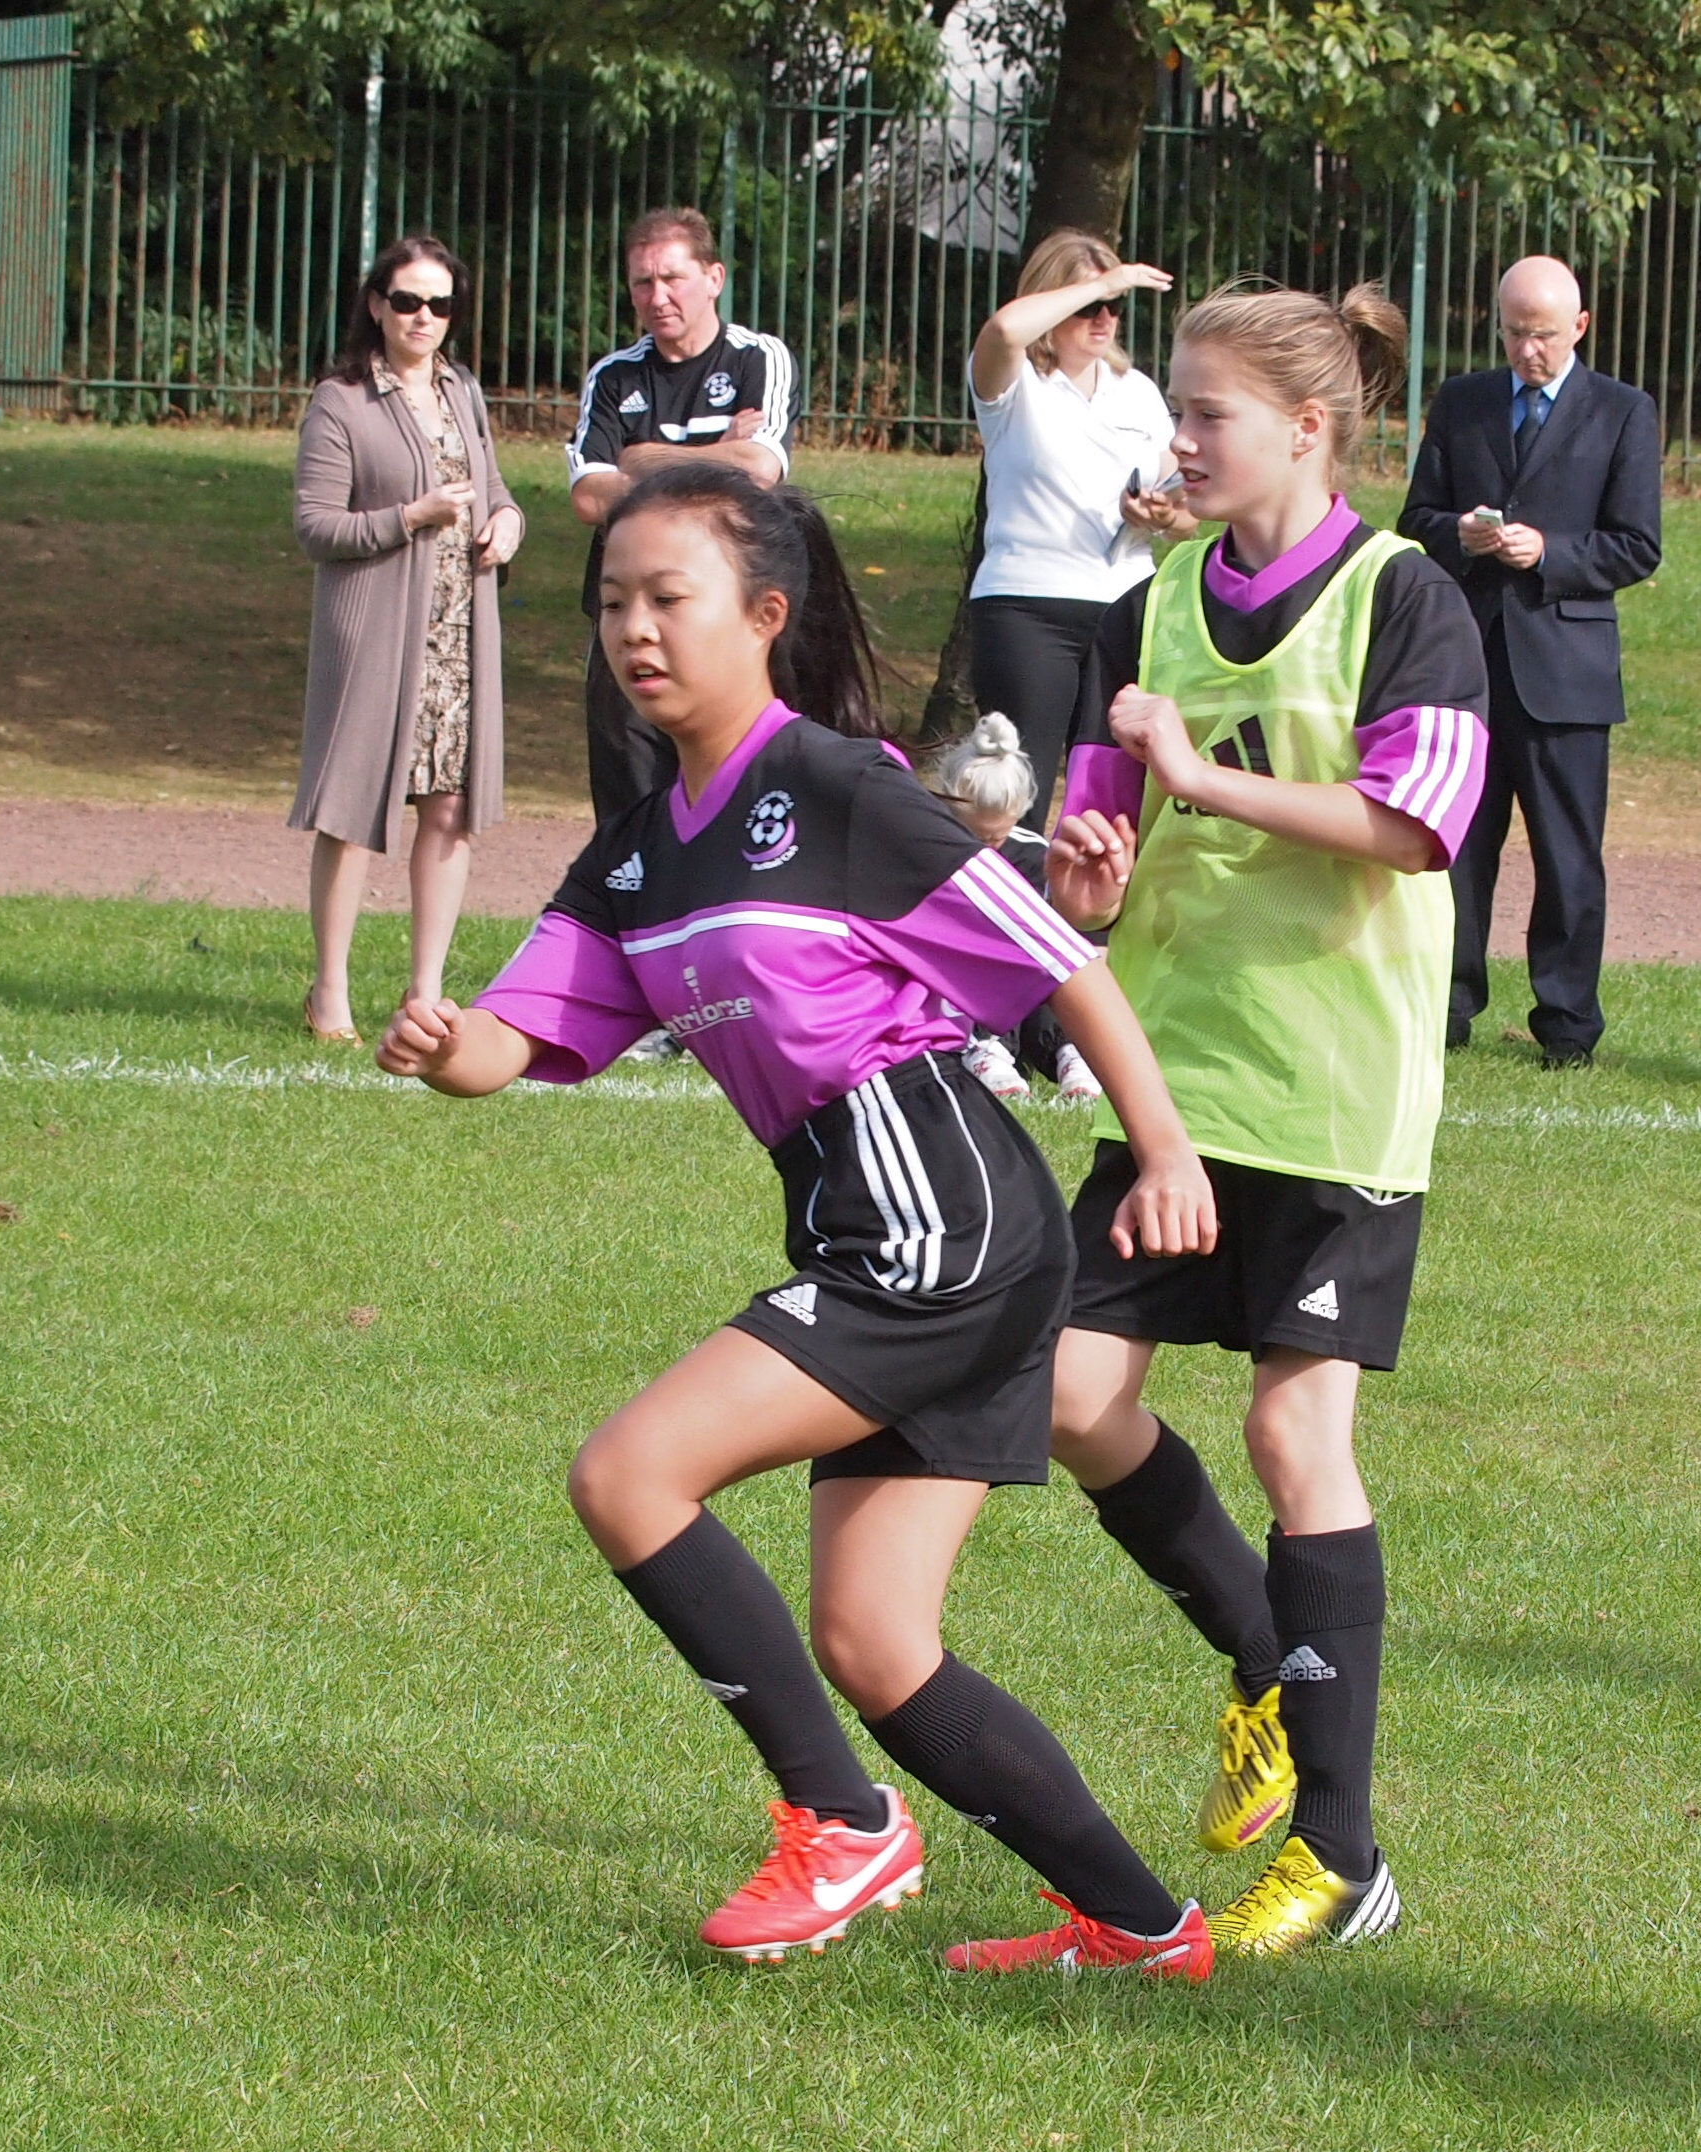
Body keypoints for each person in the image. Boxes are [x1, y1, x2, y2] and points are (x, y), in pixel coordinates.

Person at [379, 460, 1223, 1981]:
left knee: (629, 1473)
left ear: (762, 617)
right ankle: (1144, 1930)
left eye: (667, 600)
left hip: (934, 1218)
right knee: (875, 1644)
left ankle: (838, 1822)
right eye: (611, 605)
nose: (632, 631)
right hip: (891, 1225)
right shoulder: (637, 852)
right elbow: (514, 1043)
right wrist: (450, 1052)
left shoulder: (834, 787)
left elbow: (1058, 961)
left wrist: (1160, 1151)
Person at [1046, 283, 1488, 1958]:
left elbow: (1412, 822)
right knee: (1077, 1398)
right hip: (1173, 1077)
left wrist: (1207, 777)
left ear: (1305, 427)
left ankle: (1342, 1853)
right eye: (1179, 408)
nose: (1182, 437)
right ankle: (1256, 1651)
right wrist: (1092, 874)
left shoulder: (1405, 597)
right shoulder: (1145, 606)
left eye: (1208, 411)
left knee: (1293, 1444)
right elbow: (1097, 847)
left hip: (1331, 1085)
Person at [1399, 254, 1661, 1067]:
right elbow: (1417, 518)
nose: (1526, 351)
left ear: (1578, 328)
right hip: (1468, 664)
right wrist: (1461, 536)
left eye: (1542, 335)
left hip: (1565, 669)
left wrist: (1547, 551)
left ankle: (1568, 1024)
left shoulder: (1622, 411)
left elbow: (1635, 546)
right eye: (1514, 333)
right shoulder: (1464, 401)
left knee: (1567, 857)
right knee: (1457, 849)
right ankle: (1446, 1005)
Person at [291, 235, 523, 1044]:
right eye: (407, 301)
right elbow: (316, 526)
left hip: (459, 631)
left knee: (449, 807)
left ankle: (424, 991)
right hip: (379, 629)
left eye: (440, 304)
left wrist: (508, 521)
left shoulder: (463, 391)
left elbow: (493, 488)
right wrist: (410, 519)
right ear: (375, 305)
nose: (423, 318)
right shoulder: (342, 400)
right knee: (353, 810)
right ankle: (330, 992)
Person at [567, 206, 795, 826]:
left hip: (723, 605)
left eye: (674, 278)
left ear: (714, 277)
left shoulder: (758, 358)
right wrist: (715, 454)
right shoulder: (614, 378)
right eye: (643, 282)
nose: (657, 296)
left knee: (731, 787)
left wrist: (642, 461)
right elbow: (589, 497)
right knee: (628, 801)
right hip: (626, 607)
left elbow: (760, 469)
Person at [965, 229, 1194, 815]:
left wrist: (1164, 514)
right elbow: (1004, 331)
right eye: (1088, 305)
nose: (1104, 319)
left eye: (1113, 307)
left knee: (1112, 798)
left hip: (1124, 608)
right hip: (1026, 608)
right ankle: (1008, 903)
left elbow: (1185, 513)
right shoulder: (1014, 381)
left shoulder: (1136, 391)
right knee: (1019, 799)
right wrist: (1105, 280)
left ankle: (1096, 908)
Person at [927, 714, 1101, 1106]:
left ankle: (1071, 1054)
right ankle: (987, 1052)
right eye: (976, 836)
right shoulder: (929, 853)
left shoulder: (1033, 857)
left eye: (997, 837)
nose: (987, 849)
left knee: (1051, 984)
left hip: (1025, 982)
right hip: (964, 986)